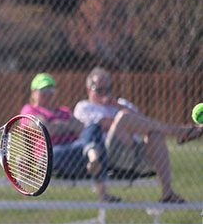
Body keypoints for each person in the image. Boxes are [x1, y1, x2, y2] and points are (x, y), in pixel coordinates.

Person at [73, 67, 203, 204]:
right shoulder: (84, 107)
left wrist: (118, 106)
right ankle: (179, 132)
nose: (105, 93)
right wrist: (124, 118)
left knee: (155, 134)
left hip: (136, 156)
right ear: (89, 90)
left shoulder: (121, 104)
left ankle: (167, 193)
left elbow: (145, 123)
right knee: (124, 118)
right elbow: (107, 124)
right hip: (109, 156)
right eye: (99, 90)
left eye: (108, 89)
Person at [20, 72, 118, 202]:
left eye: (50, 89)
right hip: (51, 156)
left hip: (75, 153)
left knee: (94, 127)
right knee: (95, 147)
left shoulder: (63, 110)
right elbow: (46, 130)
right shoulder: (29, 110)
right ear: (34, 92)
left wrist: (56, 125)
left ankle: (91, 154)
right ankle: (94, 163)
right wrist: (67, 125)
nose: (48, 93)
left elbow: (81, 128)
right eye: (43, 90)